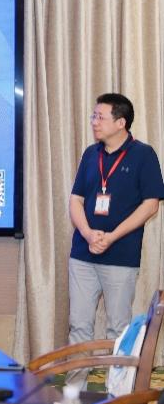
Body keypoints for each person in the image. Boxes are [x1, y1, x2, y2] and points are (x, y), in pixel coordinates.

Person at [68, 93, 164, 345]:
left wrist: (111, 237)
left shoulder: (143, 154)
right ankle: (76, 374)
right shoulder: (91, 154)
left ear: (121, 123)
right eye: (93, 116)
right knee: (79, 326)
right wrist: (88, 233)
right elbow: (75, 200)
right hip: (83, 253)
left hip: (121, 254)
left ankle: (118, 375)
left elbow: (151, 205)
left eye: (100, 117)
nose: (94, 122)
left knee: (118, 330)